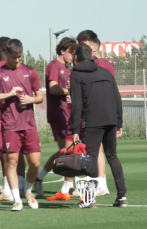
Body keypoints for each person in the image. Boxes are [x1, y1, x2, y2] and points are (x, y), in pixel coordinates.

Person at [0, 39, 44, 211]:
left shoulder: (30, 72)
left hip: (29, 124)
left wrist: (31, 99)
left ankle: (29, 191)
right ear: (7, 55)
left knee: (35, 163)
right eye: (14, 57)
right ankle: (17, 200)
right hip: (10, 124)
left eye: (19, 57)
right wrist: (7, 94)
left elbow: (40, 96)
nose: (17, 60)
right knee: (12, 161)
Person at [69, 43, 127, 209]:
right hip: (111, 119)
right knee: (112, 156)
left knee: (91, 158)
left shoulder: (76, 75)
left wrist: (74, 129)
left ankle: (89, 200)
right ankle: (122, 197)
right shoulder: (106, 72)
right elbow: (117, 98)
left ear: (76, 58)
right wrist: (119, 122)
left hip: (93, 121)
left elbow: (77, 105)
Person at [34, 37, 79, 201]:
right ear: (63, 50)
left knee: (67, 152)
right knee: (69, 152)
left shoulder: (69, 69)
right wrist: (68, 92)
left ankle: (41, 179)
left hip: (68, 114)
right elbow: (53, 89)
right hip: (58, 114)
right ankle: (66, 187)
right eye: (71, 53)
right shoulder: (54, 65)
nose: (73, 56)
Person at [76, 30, 113, 196]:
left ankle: (98, 186)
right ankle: (103, 185)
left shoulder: (99, 65)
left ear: (91, 45)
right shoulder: (106, 64)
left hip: (96, 113)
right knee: (101, 150)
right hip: (107, 112)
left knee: (95, 150)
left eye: (82, 44)